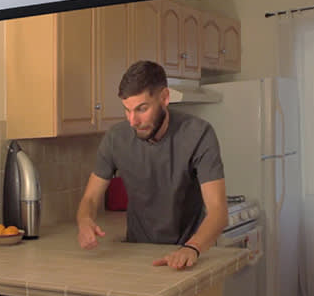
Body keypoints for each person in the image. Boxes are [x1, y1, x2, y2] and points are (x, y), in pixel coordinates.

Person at [76, 60, 228, 270]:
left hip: (190, 252)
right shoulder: (115, 139)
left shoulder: (198, 134)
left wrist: (192, 248)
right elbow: (90, 197)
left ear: (165, 98)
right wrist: (84, 220)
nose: (133, 121)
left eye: (142, 109)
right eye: (127, 110)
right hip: (137, 254)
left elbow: (218, 211)